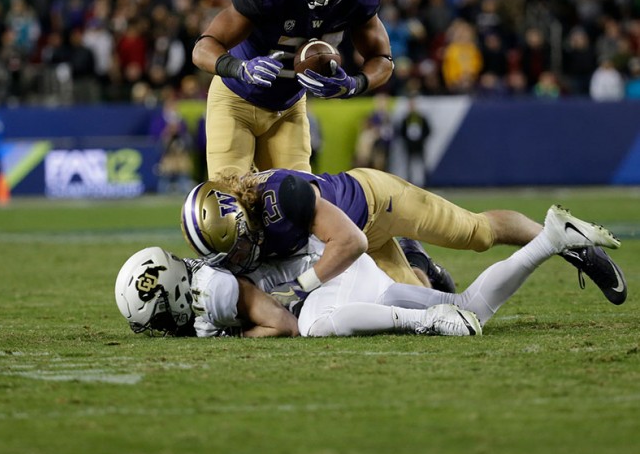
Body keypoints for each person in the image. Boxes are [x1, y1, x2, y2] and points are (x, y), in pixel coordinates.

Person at [114, 205, 624, 338]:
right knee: (469, 309)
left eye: (159, 317)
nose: (162, 328)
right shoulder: (203, 277)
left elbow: (284, 322)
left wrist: (243, 336)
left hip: (327, 282)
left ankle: (425, 321)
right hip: (341, 277)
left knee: (311, 326)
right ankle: (551, 239)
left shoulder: (211, 290)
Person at [178, 167, 627, 305]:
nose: (238, 253)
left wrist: (301, 289)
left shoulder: (282, 196)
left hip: (378, 204)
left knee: (477, 233)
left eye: (235, 242)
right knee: (430, 310)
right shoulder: (243, 219)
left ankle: (572, 245)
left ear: (244, 213)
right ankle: (421, 264)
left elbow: (349, 242)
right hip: (349, 237)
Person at [191, 0, 395, 178]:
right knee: (230, 204)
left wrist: (354, 85)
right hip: (235, 100)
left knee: (299, 204)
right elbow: (203, 47)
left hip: (289, 107)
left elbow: (383, 60)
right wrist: (241, 68)